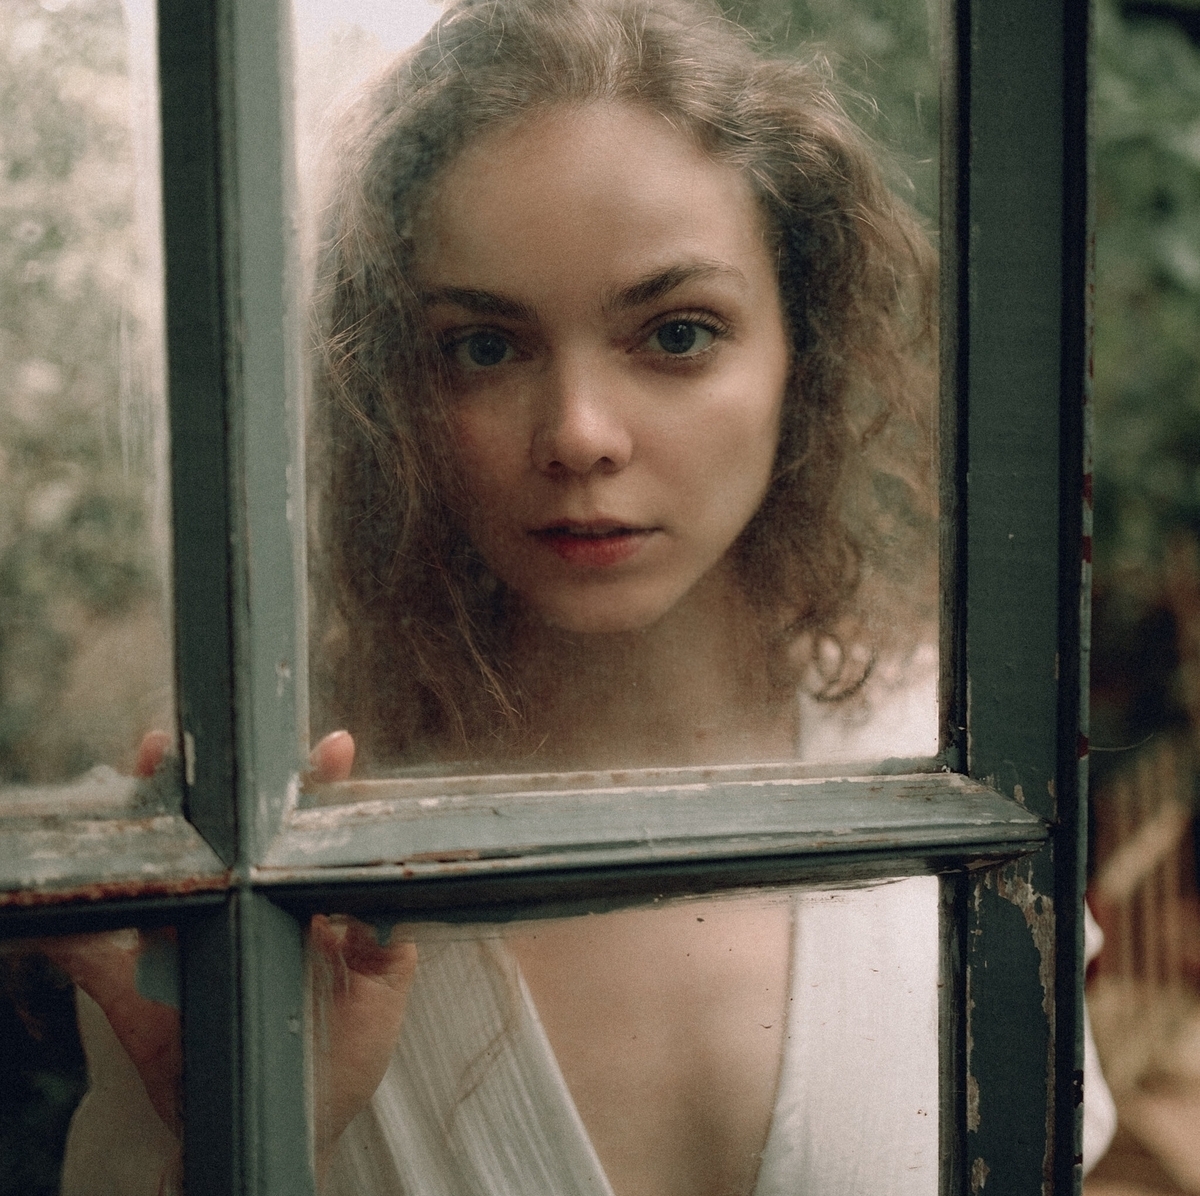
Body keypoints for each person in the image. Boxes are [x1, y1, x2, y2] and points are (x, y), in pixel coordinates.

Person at [53, 0, 1112, 1191]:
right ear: (393, 387)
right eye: (484, 346)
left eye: (678, 333)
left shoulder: (954, 751)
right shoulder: (273, 831)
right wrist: (250, 1135)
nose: (579, 434)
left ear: (800, 347)